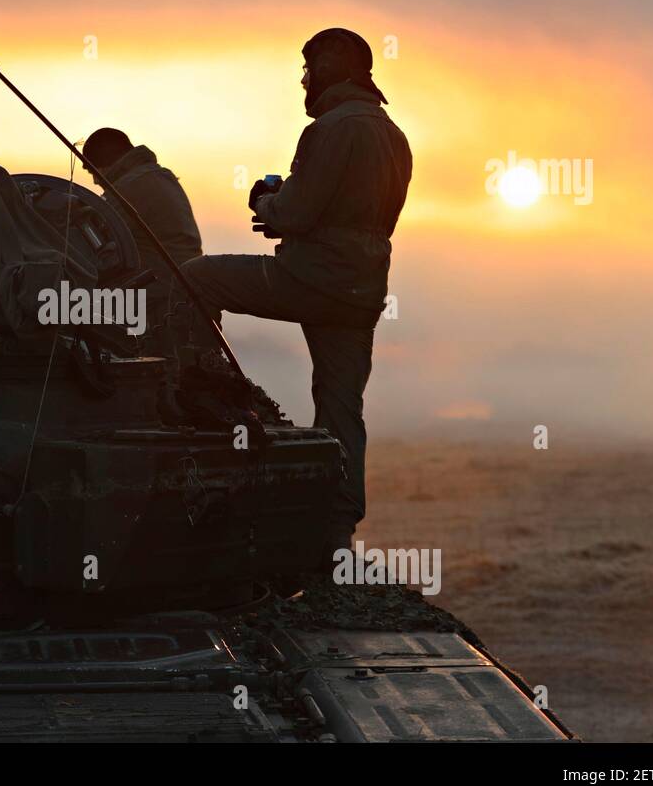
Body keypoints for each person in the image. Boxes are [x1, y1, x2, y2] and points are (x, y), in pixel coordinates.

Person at [180, 28, 412, 553]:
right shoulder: (393, 134)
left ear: (330, 70)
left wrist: (267, 203)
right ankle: (337, 532)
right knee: (341, 407)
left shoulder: (328, 129)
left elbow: (299, 213)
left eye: (309, 69)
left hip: (310, 278)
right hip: (361, 290)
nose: (304, 80)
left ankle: (205, 393)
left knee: (197, 275)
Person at [82, 128, 203, 350]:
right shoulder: (159, 175)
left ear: (104, 164)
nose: (95, 182)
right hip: (186, 288)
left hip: (161, 295)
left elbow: (92, 239)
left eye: (92, 171)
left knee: (76, 309)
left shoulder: (127, 188)